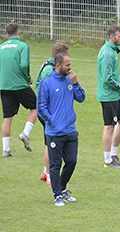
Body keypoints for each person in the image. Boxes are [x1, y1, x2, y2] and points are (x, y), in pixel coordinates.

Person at [36, 53, 86, 207]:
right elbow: (41, 108)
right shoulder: (46, 83)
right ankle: (57, 195)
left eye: (70, 64)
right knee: (55, 165)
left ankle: (63, 189)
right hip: (54, 133)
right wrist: (53, 123)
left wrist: (76, 84)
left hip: (70, 130)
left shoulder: (70, 80)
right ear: (58, 65)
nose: (70, 68)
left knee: (71, 162)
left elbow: (81, 98)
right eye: (67, 65)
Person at [1, 22, 38, 157]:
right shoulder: (23, 46)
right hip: (19, 85)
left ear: (6, 34)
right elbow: (23, 65)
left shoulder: (1, 47)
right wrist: (28, 78)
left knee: (7, 117)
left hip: (4, 86)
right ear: (19, 33)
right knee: (36, 107)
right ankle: (25, 134)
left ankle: (6, 149)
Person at [36, 42, 70, 185]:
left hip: (49, 110)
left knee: (51, 142)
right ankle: (50, 176)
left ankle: (45, 171)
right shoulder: (50, 71)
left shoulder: (46, 64)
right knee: (52, 143)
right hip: (48, 111)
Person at [97, 25, 120, 168]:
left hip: (115, 95)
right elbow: (107, 78)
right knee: (109, 127)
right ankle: (107, 160)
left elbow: (112, 73)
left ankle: (113, 155)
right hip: (108, 96)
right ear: (112, 37)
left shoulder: (112, 51)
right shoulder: (108, 53)